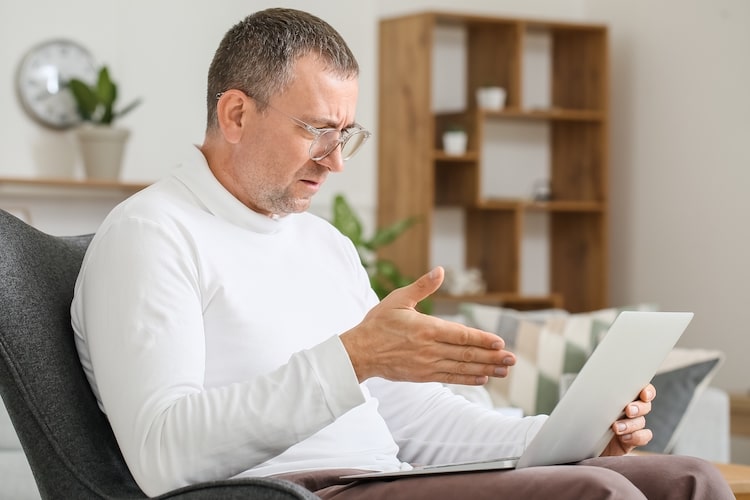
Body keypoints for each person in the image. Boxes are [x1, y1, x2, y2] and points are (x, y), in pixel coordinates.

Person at [71, 8, 733, 500]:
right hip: (295, 492)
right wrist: (353, 356)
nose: (334, 161)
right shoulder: (150, 237)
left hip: (389, 478)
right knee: (602, 495)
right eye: (316, 132)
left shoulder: (323, 245)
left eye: (345, 135)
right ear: (237, 114)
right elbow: (162, 453)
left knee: (690, 477)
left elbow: (404, 414)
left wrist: (565, 439)